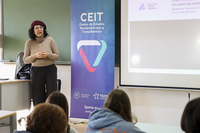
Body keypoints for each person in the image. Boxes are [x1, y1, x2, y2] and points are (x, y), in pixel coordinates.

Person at [23, 20, 60, 106]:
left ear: (44, 29)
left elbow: (57, 56)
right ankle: (39, 116)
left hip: (50, 70)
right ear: (32, 30)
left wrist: (47, 55)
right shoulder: (29, 42)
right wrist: (34, 56)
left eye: (41, 27)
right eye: (37, 28)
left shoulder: (50, 40)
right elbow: (25, 60)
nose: (39, 29)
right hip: (36, 71)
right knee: (37, 95)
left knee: (52, 95)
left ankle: (53, 116)